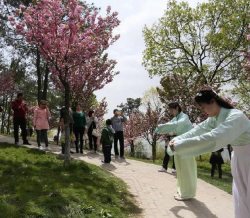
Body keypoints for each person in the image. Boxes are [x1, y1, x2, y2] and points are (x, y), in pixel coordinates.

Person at [167, 87, 250, 218]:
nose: (204, 111)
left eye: (204, 107)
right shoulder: (215, 118)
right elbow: (198, 130)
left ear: (212, 101)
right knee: (240, 197)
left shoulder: (235, 116)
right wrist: (178, 139)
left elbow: (214, 137)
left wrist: (180, 145)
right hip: (239, 158)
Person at [155, 102, 197, 201]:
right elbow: (171, 125)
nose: (170, 112)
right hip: (180, 143)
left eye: (171, 109)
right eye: (169, 110)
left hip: (186, 144)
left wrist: (161, 127)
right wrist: (161, 127)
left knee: (186, 168)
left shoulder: (184, 117)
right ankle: (182, 190)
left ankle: (187, 193)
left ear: (177, 108)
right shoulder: (176, 118)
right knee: (180, 168)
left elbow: (176, 125)